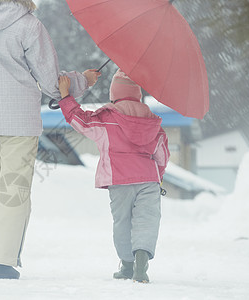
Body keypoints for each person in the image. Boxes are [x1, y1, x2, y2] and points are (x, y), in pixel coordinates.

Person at [0, 0, 100, 280]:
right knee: (13, 187)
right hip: (19, 118)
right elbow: (51, 82)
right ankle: (2, 261)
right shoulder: (28, 24)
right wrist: (81, 81)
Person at [57, 69, 170, 283]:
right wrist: (159, 176)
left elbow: (80, 121)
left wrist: (66, 97)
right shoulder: (153, 121)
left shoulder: (106, 118)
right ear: (137, 95)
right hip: (149, 180)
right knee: (147, 220)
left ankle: (127, 266)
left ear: (114, 94)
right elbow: (162, 155)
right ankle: (141, 261)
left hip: (119, 180)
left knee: (122, 222)